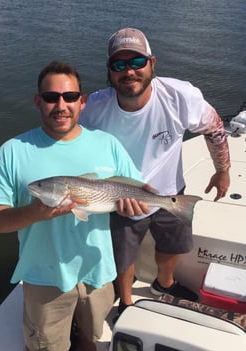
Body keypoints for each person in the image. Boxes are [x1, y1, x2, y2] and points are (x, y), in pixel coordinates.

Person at [0, 60, 150, 351]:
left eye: (70, 97)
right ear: (38, 101)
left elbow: (140, 192)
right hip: (44, 280)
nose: (61, 105)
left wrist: (137, 206)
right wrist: (33, 212)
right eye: (51, 97)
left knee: (92, 339)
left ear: (82, 101)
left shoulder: (107, 144)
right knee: (46, 349)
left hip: (99, 272)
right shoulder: (13, 152)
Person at [80, 27, 231, 319]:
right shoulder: (94, 108)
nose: (129, 72)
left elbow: (213, 128)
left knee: (174, 245)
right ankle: (125, 301)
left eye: (137, 62)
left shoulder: (180, 96)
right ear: (109, 71)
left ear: (152, 63)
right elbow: (75, 148)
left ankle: (164, 284)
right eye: (119, 65)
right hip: (116, 197)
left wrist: (222, 171)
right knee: (123, 258)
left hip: (169, 191)